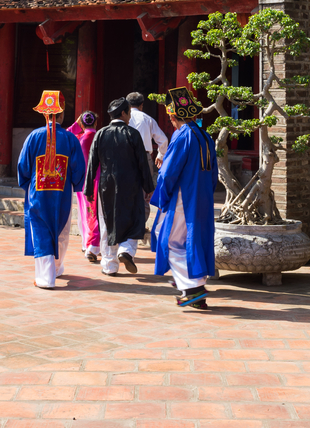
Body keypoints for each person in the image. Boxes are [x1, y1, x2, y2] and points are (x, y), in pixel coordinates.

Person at [150, 87, 218, 309]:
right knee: (192, 239)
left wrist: (162, 195)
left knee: (166, 239)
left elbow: (169, 172)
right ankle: (188, 282)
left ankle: (192, 286)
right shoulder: (205, 136)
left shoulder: (182, 135)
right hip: (203, 197)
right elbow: (213, 174)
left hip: (183, 197)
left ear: (172, 116)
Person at [17, 91, 86, 289]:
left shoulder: (33, 137)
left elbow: (23, 166)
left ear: (44, 114)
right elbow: (78, 168)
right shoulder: (71, 139)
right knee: (61, 228)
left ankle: (46, 278)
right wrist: (76, 185)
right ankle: (55, 269)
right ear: (62, 114)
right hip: (61, 193)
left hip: (38, 192)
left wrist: (27, 185)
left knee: (40, 230)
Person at [85, 97, 154, 276]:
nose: (130, 117)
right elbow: (142, 163)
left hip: (106, 185)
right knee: (134, 217)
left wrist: (88, 189)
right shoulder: (133, 134)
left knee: (107, 221)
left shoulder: (100, 134)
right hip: (131, 184)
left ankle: (109, 265)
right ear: (123, 113)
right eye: (129, 113)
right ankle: (127, 251)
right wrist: (148, 185)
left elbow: (92, 162)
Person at [126, 91, 170, 221]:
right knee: (145, 191)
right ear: (141, 105)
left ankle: (128, 223)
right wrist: (161, 155)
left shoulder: (123, 118)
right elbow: (163, 140)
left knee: (126, 188)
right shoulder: (147, 118)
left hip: (126, 157)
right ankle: (141, 224)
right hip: (144, 157)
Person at [68, 110, 100, 263]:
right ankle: (95, 245)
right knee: (98, 213)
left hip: (83, 181)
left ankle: (87, 243)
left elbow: (67, 133)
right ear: (96, 122)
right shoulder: (101, 136)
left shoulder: (78, 138)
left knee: (85, 213)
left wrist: (76, 124)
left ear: (82, 123)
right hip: (99, 180)